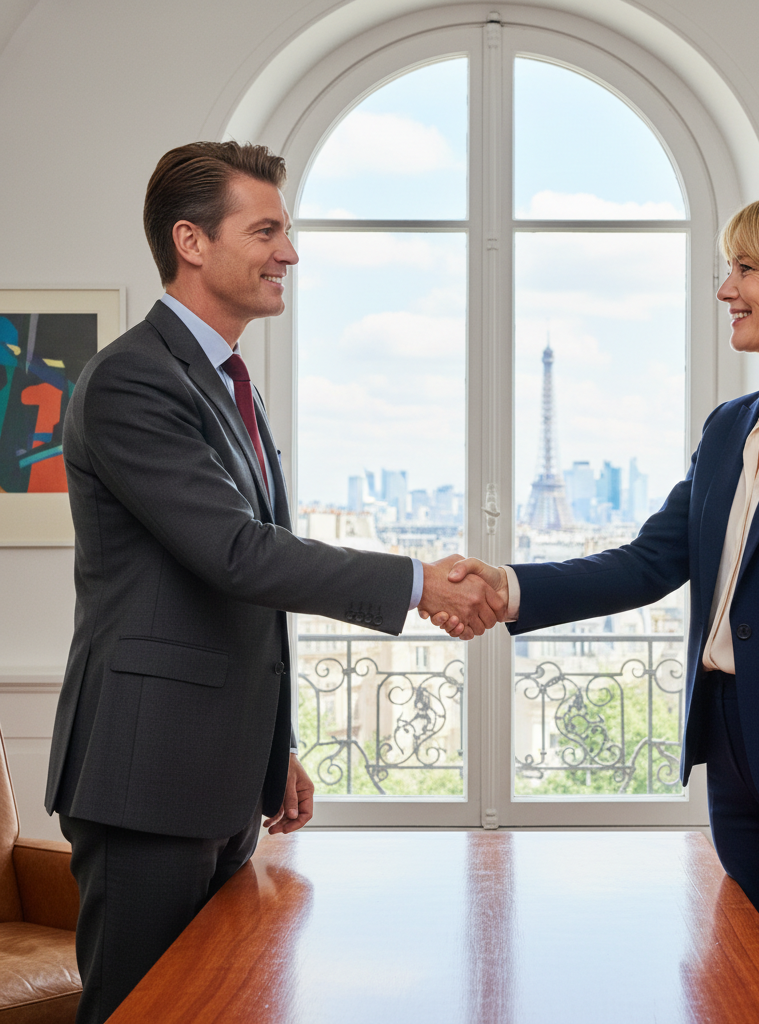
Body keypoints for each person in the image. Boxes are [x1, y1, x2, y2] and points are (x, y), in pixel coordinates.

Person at [438, 190, 759, 1024]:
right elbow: (648, 562)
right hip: (736, 754)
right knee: (748, 998)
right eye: (726, 269)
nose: (725, 289)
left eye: (746, 269)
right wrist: (508, 586)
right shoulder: (728, 428)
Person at [45, 141, 502, 1024]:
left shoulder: (225, 383)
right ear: (191, 241)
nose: (289, 252)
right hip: (146, 778)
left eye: (286, 230)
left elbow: (225, 595)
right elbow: (238, 553)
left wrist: (269, 746)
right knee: (143, 1011)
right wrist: (418, 581)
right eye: (266, 230)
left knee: (216, 1006)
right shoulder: (134, 381)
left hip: (208, 772)